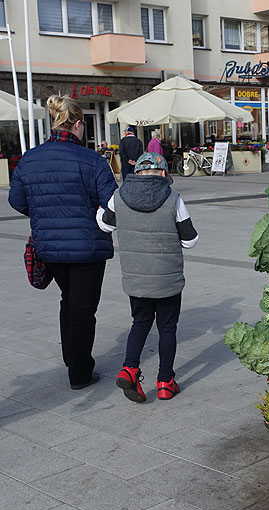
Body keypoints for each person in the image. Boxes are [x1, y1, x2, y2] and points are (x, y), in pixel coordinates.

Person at [9, 94, 117, 390]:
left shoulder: (30, 158)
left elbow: (16, 200)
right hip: (87, 246)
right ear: (78, 125)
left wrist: (45, 212)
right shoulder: (92, 160)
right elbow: (111, 202)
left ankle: (72, 359)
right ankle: (80, 372)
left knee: (68, 301)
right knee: (83, 309)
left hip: (49, 247)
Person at [96, 152, 199, 403]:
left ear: (137, 173)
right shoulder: (174, 199)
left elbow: (105, 226)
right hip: (167, 280)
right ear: (163, 174)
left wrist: (99, 212)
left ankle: (129, 368)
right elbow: (190, 240)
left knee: (140, 322)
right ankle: (165, 381)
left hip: (136, 278)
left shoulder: (117, 197)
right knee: (167, 328)